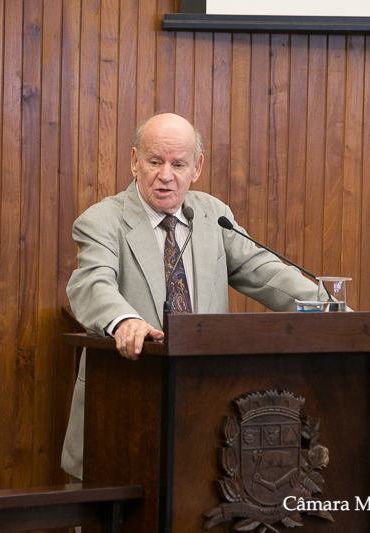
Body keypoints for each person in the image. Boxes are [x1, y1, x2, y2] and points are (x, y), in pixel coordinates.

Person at [61, 113, 318, 480]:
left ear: (196, 167)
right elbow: (91, 284)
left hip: (204, 413)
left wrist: (334, 311)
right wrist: (124, 320)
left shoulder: (214, 216)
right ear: (134, 161)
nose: (166, 175)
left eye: (178, 164)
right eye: (155, 161)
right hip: (121, 411)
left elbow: (269, 274)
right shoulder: (103, 220)